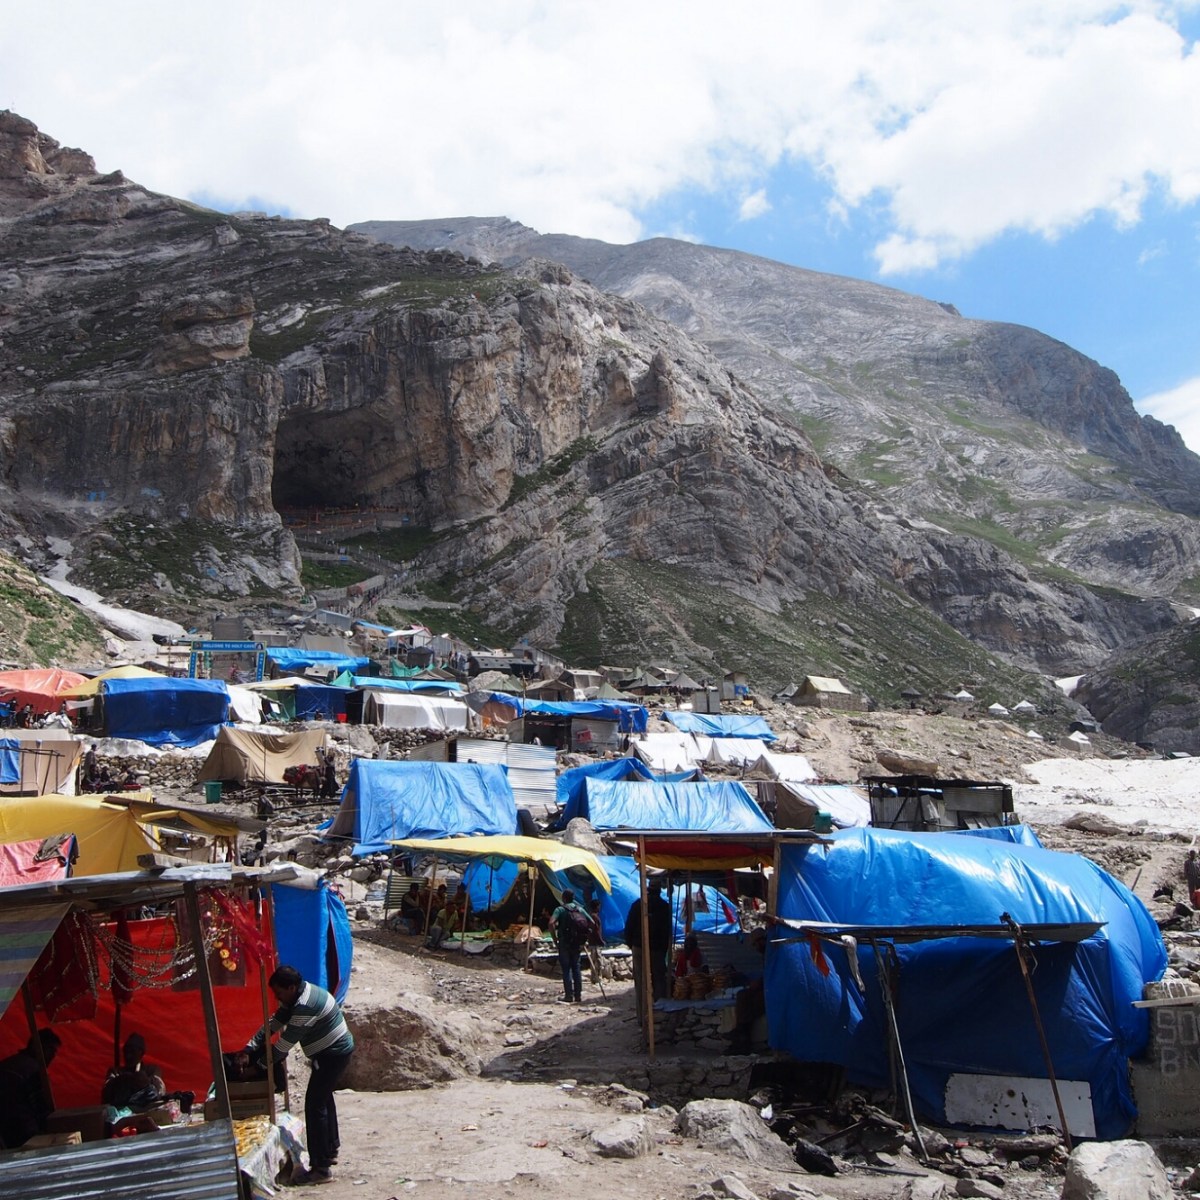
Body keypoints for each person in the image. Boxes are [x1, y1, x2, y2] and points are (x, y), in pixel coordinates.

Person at [239, 965, 354, 1186]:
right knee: (323, 1098)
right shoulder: (298, 995)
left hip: (333, 1054)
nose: (277, 997)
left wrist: (257, 1068)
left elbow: (283, 1047)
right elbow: (275, 1022)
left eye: (279, 993)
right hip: (331, 1052)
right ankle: (330, 1149)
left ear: (291, 988)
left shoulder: (305, 1007)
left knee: (314, 1104)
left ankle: (321, 1168)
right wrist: (249, 1047)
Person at [0, 1029, 60, 1149]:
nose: (53, 1056)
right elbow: (40, 1107)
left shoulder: (7, 1064)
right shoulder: (33, 1070)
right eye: (51, 1050)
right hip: (20, 1131)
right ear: (37, 1047)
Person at [623, 882, 673, 1026]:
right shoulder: (664, 907)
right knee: (659, 981)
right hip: (657, 949)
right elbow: (667, 931)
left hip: (639, 947)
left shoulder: (637, 905)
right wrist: (663, 949)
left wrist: (632, 945)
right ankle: (660, 1014)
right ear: (658, 891)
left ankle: (642, 1017)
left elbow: (629, 928)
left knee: (641, 982)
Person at [550, 888, 597, 1003]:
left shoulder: (560, 909)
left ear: (564, 898)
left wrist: (555, 939)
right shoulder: (580, 909)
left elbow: (551, 923)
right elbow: (592, 922)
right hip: (577, 943)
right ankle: (578, 996)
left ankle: (568, 996)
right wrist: (585, 937)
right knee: (576, 968)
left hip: (564, 942)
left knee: (566, 969)